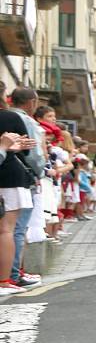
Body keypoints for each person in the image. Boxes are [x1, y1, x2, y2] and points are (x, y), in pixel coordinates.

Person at [0, 112, 38, 294]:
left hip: (9, 174)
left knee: (9, 230)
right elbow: (28, 151)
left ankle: (10, 277)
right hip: (10, 176)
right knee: (8, 230)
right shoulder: (11, 117)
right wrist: (6, 147)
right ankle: (6, 279)